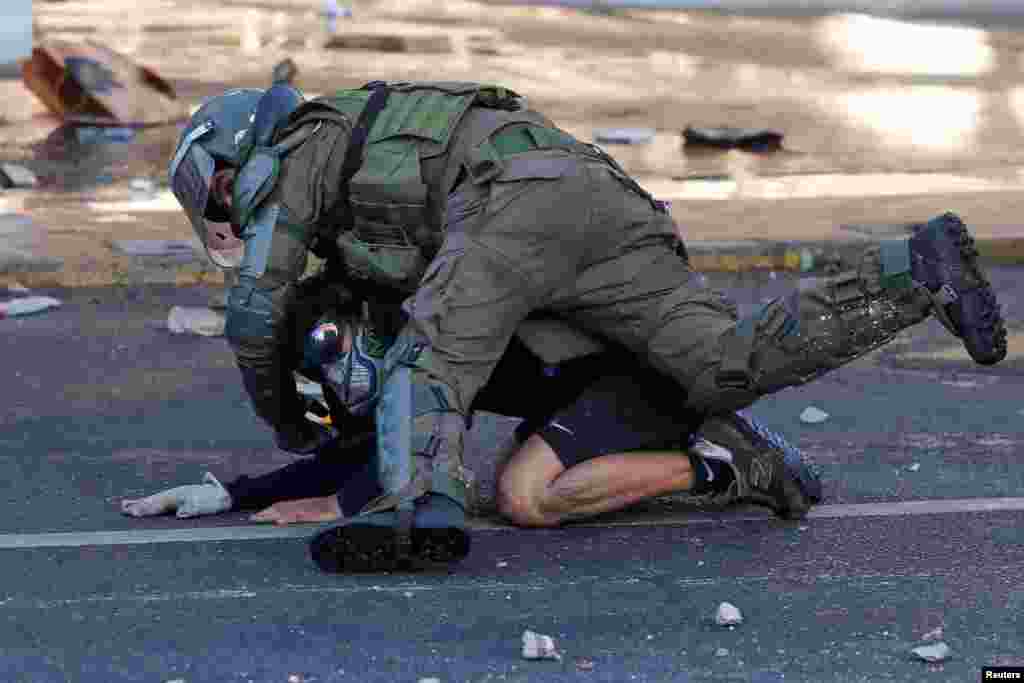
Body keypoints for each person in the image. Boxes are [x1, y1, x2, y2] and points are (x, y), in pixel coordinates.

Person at [168, 81, 1006, 572]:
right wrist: (249, 491)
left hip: (512, 196)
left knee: (433, 349)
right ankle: (909, 273)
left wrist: (281, 422)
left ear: (237, 154)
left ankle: (415, 512)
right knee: (723, 362)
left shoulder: (304, 149)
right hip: (604, 201)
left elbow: (255, 310)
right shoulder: (364, 195)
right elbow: (372, 387)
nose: (223, 211)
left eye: (211, 190)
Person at [122, 305, 821, 534]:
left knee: (523, 496)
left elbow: (414, 449)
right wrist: (233, 492)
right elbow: (370, 443)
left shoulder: (433, 324)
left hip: (635, 380)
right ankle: (706, 443)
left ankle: (729, 464)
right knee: (507, 487)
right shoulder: (395, 316)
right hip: (587, 387)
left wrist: (339, 502)